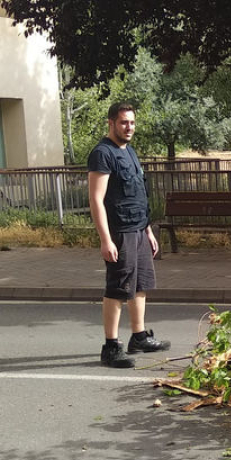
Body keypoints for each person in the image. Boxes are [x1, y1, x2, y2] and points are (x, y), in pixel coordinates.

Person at [88, 102, 170, 368]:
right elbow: (96, 200)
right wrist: (105, 239)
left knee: (141, 285)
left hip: (138, 228)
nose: (129, 127)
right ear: (111, 123)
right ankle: (111, 347)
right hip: (120, 231)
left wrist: (148, 230)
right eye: (124, 122)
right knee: (118, 288)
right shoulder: (102, 154)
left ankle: (139, 336)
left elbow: (137, 194)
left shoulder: (130, 151)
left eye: (132, 122)